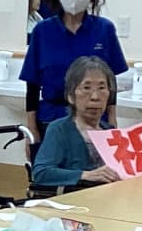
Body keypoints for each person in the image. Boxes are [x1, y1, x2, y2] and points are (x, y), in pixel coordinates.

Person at [21, 0, 126, 141]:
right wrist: (31, 128)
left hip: (95, 121)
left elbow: (110, 83)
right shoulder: (43, 31)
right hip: (51, 119)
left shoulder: (104, 29)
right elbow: (32, 85)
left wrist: (112, 120)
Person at [28, 56, 118, 191]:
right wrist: (85, 175)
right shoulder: (59, 129)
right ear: (71, 96)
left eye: (101, 88)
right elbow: (41, 173)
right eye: (86, 88)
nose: (95, 97)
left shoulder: (110, 132)